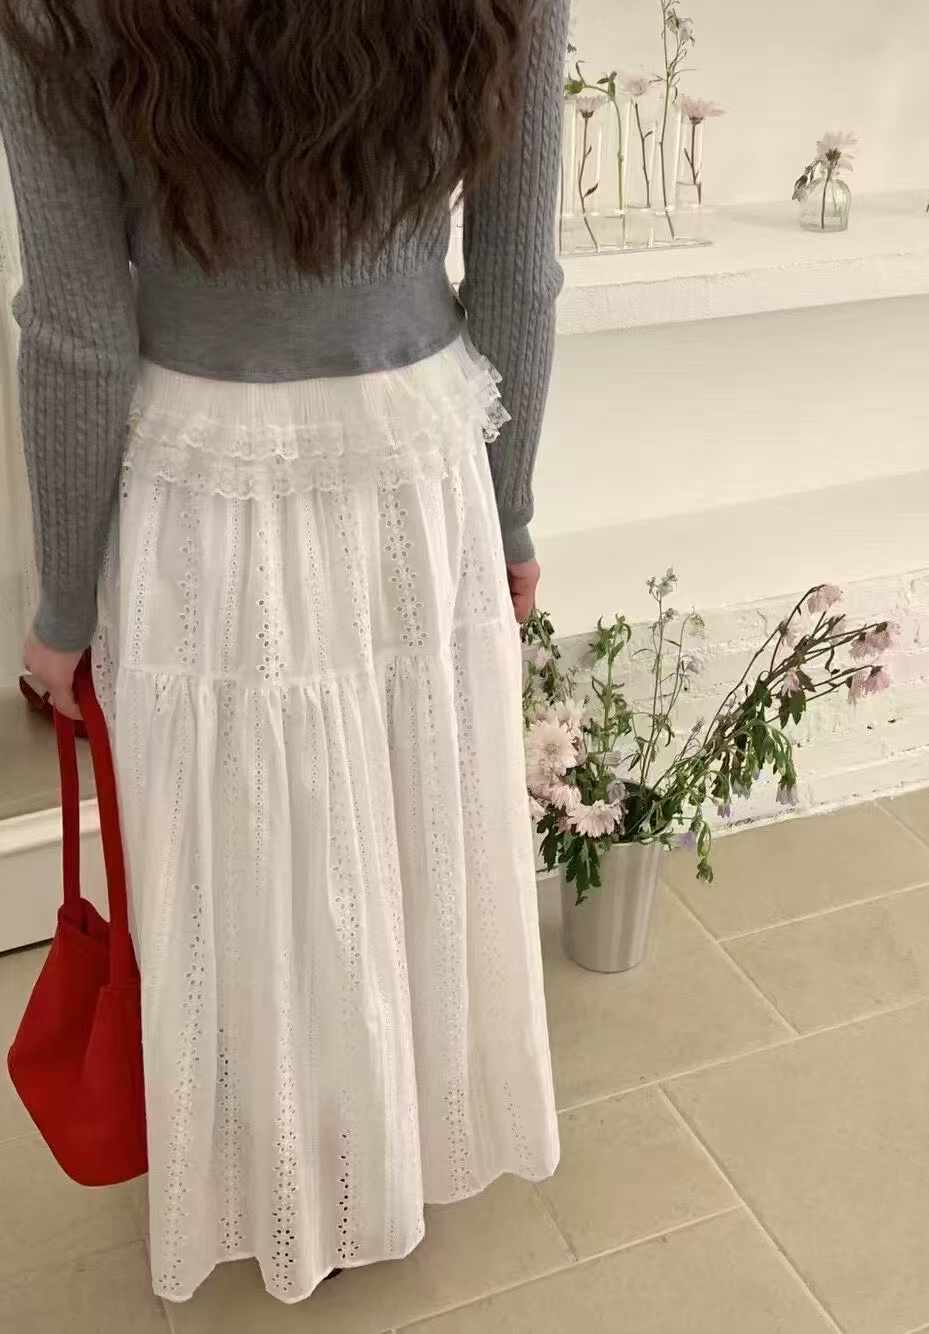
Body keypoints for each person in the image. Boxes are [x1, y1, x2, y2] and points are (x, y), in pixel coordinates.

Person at [0, 0, 566, 1304]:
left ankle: (277, 1176)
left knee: (237, 838)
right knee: (410, 811)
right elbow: (519, 275)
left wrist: (62, 611)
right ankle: (389, 1154)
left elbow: (76, 328)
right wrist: (510, 513)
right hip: (415, 463)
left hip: (203, 477)